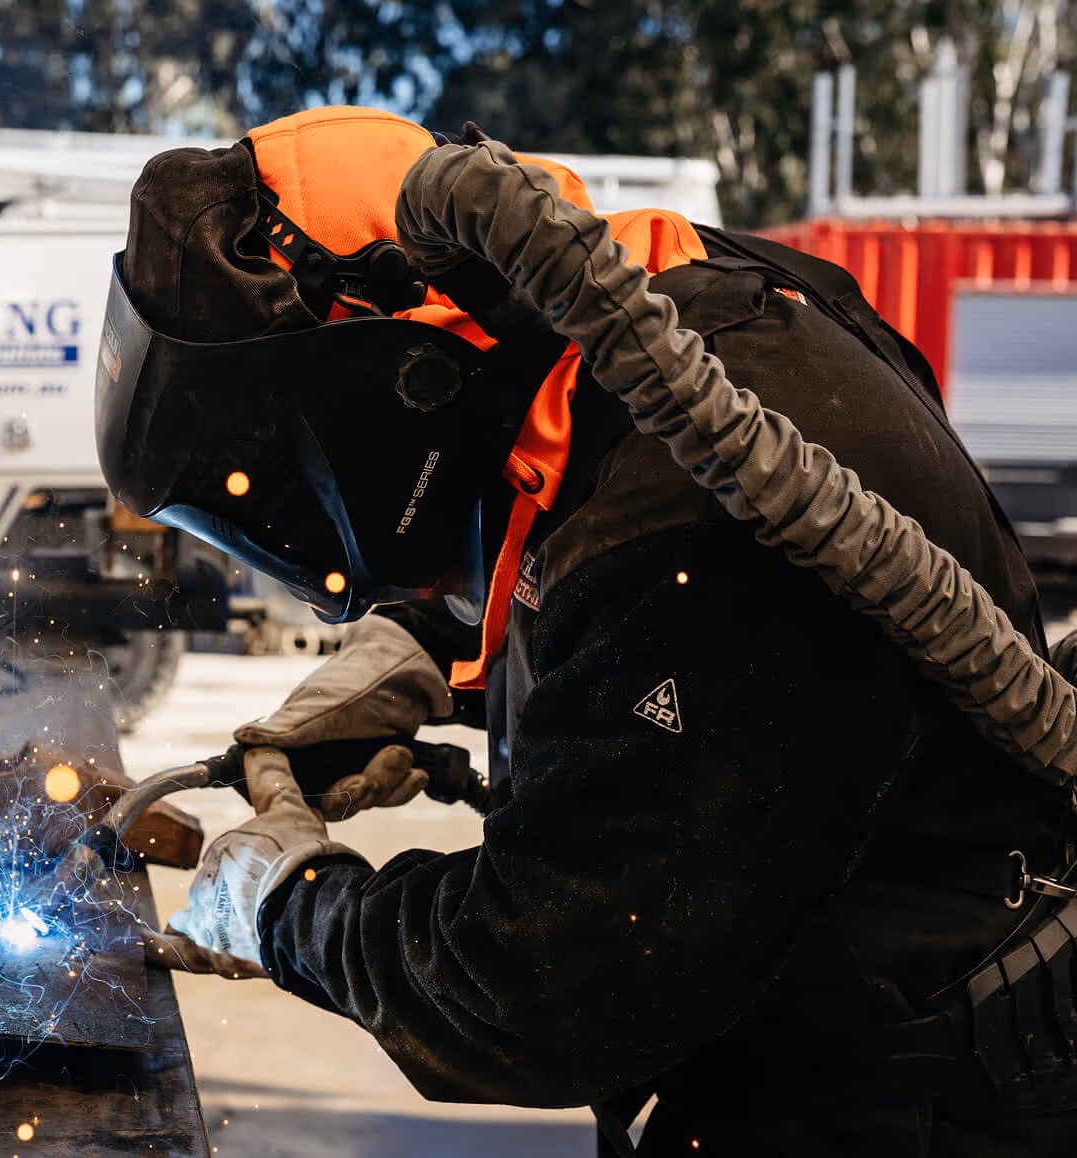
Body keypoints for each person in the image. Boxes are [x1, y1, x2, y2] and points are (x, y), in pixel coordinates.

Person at [94, 105, 1077, 1156]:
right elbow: (567, 529)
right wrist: (433, 656)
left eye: (270, 487)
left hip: (906, 1113)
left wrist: (290, 910)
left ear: (385, 383)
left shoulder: (715, 512)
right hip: (812, 1052)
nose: (283, 535)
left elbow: (539, 987)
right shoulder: (675, 312)